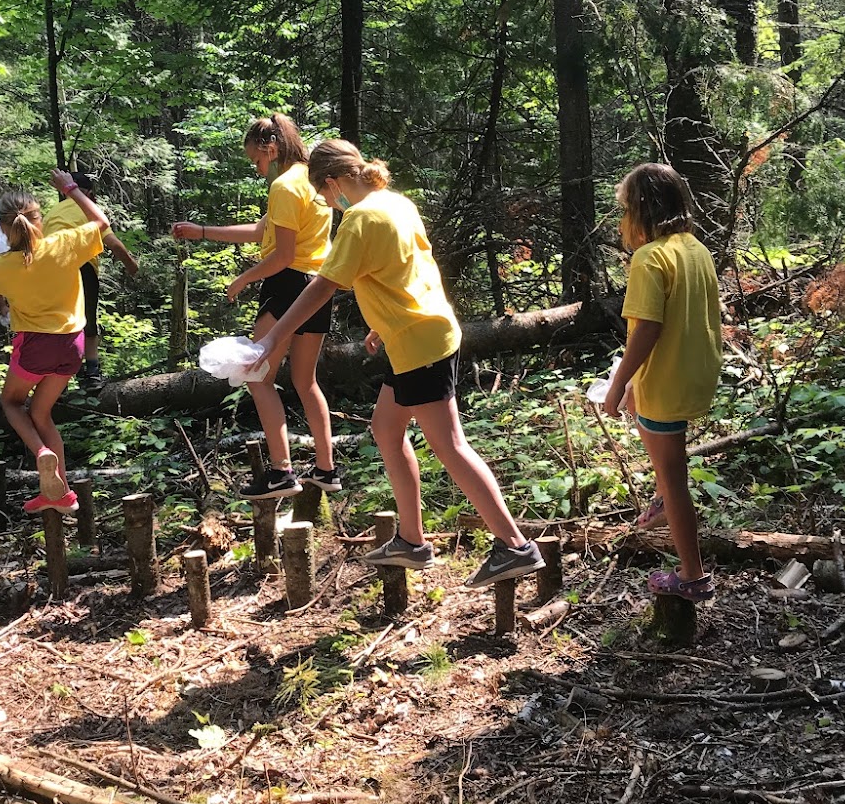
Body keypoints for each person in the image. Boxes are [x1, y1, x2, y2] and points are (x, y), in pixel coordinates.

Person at [247, 139, 543, 589]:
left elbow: (322, 286)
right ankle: (411, 539)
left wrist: (272, 337)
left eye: (325, 195)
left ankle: (516, 546)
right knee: (386, 429)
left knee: (450, 445)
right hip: (419, 333)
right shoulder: (396, 203)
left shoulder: (361, 218)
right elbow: (409, 267)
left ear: (332, 181)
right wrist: (384, 323)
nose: (329, 204)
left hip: (420, 342)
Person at [172, 114, 339, 500]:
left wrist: (244, 278)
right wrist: (201, 231)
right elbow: (261, 230)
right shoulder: (311, 180)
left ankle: (282, 472)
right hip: (318, 285)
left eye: (257, 161)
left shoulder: (283, 186)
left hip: (286, 286)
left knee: (257, 377)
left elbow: (281, 255)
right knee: (305, 381)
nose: (257, 168)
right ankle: (327, 468)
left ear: (271, 149)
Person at [601, 163, 722, 603]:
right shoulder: (695, 248)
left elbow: (646, 330)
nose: (622, 219)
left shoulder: (649, 258)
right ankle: (662, 496)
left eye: (625, 209)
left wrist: (617, 384)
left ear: (640, 210)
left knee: (674, 478)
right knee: (655, 440)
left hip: (668, 382)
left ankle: (693, 577)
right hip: (693, 372)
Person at [0, 172, 107, 515]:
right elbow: (101, 221)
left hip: (35, 346)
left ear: (4, 228)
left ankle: (41, 453)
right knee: (41, 412)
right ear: (40, 218)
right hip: (73, 347)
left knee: (11, 402)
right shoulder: (63, 244)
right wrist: (71, 189)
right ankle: (61, 493)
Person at [42, 171, 139, 394]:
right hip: (80, 266)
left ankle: (58, 380)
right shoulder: (88, 210)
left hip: (49, 268)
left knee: (59, 321)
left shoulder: (53, 212)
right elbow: (114, 244)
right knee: (87, 318)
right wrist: (132, 266)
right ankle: (92, 374)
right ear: (89, 193)